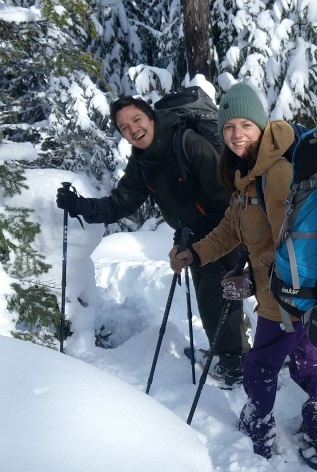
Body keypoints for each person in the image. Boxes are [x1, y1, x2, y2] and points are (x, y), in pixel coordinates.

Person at [170, 83, 317, 464]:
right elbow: (231, 229)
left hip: (285, 296)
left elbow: (291, 245)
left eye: (246, 125)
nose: (237, 135)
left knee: (260, 366)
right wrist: (196, 253)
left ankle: (257, 435)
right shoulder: (249, 174)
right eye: (229, 127)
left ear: (261, 125)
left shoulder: (275, 173)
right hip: (293, 295)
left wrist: (250, 279)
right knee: (308, 361)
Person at [56, 94, 249, 386]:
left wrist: (195, 234)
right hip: (192, 236)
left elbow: (224, 199)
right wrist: (80, 206)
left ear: (151, 117)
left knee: (216, 296)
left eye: (137, 120)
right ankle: (234, 350)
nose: (133, 130)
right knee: (214, 296)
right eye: (124, 127)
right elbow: (120, 204)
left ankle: (235, 364)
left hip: (223, 231)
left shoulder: (189, 144)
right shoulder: (143, 162)